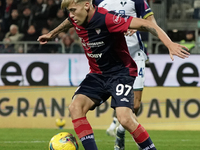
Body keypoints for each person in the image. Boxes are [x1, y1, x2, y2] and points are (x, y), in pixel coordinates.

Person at [37, 0, 189, 150]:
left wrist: (169, 44)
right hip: (97, 74)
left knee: (125, 118)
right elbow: (69, 21)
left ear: (87, 5)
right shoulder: (78, 16)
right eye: (69, 11)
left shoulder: (107, 18)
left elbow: (147, 24)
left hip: (120, 73)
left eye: (73, 10)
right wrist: (52, 33)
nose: (71, 15)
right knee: (75, 107)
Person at [93, 0, 157, 149]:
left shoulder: (137, 1)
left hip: (135, 55)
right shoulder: (98, 2)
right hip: (114, 58)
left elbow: (151, 24)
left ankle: (120, 131)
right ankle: (121, 126)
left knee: (135, 104)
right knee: (122, 104)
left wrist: (138, 27)